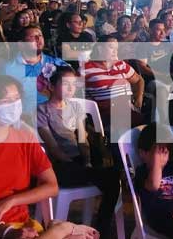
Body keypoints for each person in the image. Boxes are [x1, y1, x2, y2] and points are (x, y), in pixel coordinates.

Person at [0, 75, 90, 239]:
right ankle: (60, 230)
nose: (14, 105)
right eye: (6, 101)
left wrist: (11, 201)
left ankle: (59, 231)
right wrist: (7, 232)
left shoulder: (26, 138)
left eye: (16, 99)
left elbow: (51, 186)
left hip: (23, 227)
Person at [37, 67, 120, 238]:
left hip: (81, 161)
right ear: (52, 87)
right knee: (106, 176)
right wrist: (76, 162)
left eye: (73, 85)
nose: (70, 88)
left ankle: (101, 228)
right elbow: (53, 147)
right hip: (59, 165)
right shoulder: (42, 110)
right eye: (65, 84)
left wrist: (88, 161)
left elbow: (83, 139)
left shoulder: (75, 107)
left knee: (113, 177)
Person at [84, 35, 145, 131]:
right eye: (111, 47)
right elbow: (77, 95)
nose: (115, 51)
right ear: (100, 48)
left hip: (127, 109)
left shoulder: (120, 65)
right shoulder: (86, 69)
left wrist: (139, 97)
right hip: (104, 113)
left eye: (116, 48)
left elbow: (139, 80)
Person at [5, 24, 69, 115]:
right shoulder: (9, 68)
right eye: (32, 37)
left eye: (40, 35)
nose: (38, 39)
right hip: (22, 116)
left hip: (53, 114)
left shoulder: (56, 64)